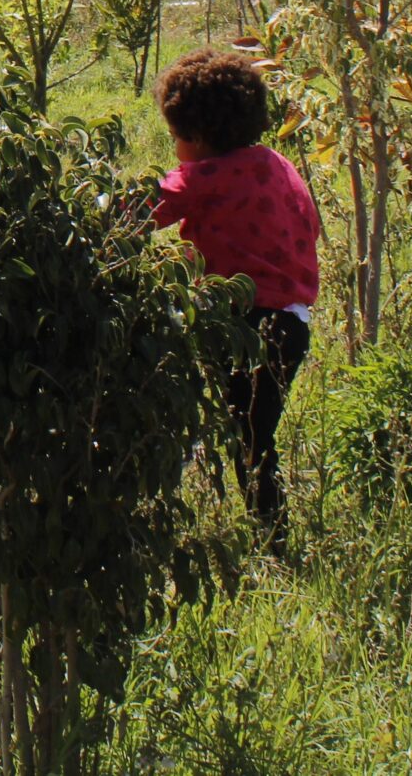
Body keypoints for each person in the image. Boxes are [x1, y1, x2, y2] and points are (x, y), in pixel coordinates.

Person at [149, 47, 321, 532]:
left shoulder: (202, 176)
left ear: (198, 137)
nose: (176, 148)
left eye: (176, 137)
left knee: (247, 439)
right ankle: (269, 535)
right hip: (292, 324)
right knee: (253, 434)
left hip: (241, 324)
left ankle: (274, 542)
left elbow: (138, 211)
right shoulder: (278, 165)